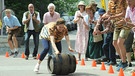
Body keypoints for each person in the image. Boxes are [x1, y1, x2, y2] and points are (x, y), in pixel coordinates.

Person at [117, 0, 135, 73]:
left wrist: (127, 23)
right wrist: (122, 21)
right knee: (134, 48)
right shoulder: (128, 8)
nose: (128, 2)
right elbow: (126, 19)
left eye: (130, 0)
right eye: (127, 0)